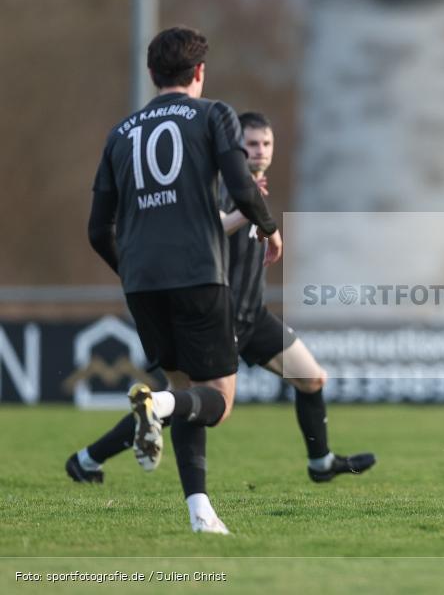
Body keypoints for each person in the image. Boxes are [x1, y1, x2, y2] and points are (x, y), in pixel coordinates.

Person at [69, 113, 375, 490]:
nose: (259, 151)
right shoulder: (221, 185)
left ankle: (321, 461)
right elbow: (206, 227)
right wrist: (246, 211)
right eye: (250, 144)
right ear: (234, 147)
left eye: (266, 143)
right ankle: (87, 459)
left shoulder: (254, 188)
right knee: (179, 401)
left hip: (254, 315)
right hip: (218, 316)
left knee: (312, 379)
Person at [79, 26, 281, 534]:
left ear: (151, 75)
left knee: (184, 386)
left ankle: (200, 513)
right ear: (199, 73)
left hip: (142, 281)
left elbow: (97, 229)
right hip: (197, 273)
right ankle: (159, 406)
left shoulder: (120, 133)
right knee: (216, 401)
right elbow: (240, 186)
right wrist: (269, 227)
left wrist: (131, 270)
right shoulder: (214, 114)